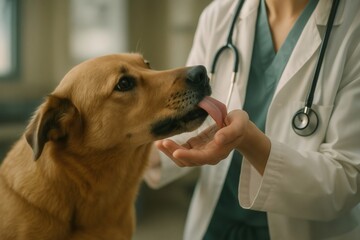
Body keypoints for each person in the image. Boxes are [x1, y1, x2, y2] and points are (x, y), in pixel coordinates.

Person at [144, 0, 360, 239]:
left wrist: (249, 141)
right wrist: (133, 149)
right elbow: (193, 117)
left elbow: (346, 179)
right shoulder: (219, 15)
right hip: (215, 224)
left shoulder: (353, 25)